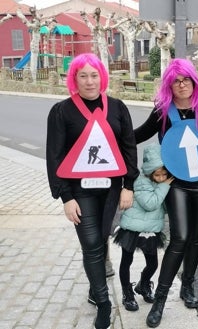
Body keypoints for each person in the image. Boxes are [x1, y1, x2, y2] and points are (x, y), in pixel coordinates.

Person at [46, 53, 139, 329]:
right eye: (83, 75)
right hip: (80, 191)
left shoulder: (118, 107)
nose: (89, 81)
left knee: (101, 239)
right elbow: (55, 156)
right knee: (91, 246)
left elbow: (128, 147)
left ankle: (94, 285)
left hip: (111, 190)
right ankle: (104, 302)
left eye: (94, 74)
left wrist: (129, 186)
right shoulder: (62, 111)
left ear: (102, 77)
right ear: (74, 79)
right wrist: (65, 197)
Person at [135, 58, 198, 328]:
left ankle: (188, 286)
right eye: (176, 80)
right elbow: (136, 135)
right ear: (169, 85)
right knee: (180, 238)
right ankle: (161, 299)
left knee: (196, 238)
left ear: (194, 81)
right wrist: (108, 134)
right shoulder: (162, 111)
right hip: (177, 184)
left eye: (186, 79)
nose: (182, 84)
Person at [113, 143, 173, 312]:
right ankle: (127, 293)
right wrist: (165, 186)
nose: (161, 178)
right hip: (132, 228)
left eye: (164, 174)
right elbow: (150, 203)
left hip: (151, 229)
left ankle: (144, 284)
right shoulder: (140, 181)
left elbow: (164, 207)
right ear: (149, 171)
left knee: (153, 263)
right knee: (127, 261)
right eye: (157, 174)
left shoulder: (161, 184)